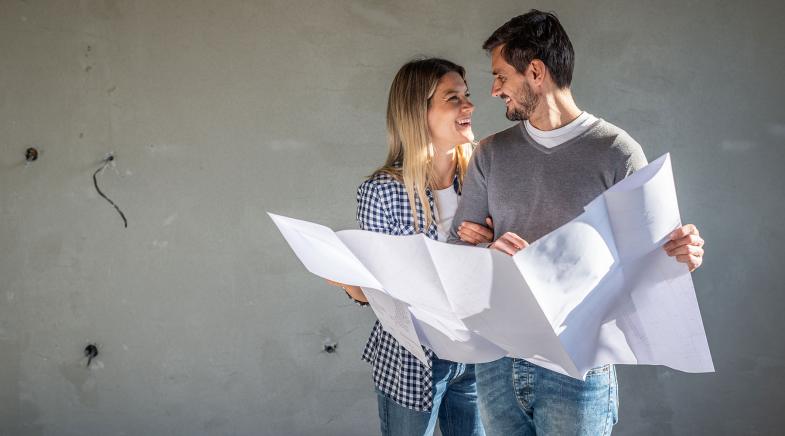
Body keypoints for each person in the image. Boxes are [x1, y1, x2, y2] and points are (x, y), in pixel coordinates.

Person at [448, 10, 707, 436]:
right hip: (497, 362)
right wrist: (486, 254)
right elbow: (458, 254)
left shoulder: (618, 153)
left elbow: (649, 264)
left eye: (500, 76)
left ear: (535, 71)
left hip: (579, 367)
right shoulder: (490, 153)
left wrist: (681, 256)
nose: (493, 90)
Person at [329, 58, 491, 436]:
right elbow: (376, 293)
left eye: (467, 96)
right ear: (420, 112)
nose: (469, 106)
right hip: (412, 360)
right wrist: (350, 281)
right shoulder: (381, 191)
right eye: (454, 98)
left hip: (478, 355)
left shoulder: (486, 175)